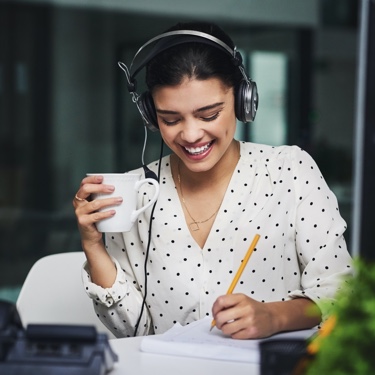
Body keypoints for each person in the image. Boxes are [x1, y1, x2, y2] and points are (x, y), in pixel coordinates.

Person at [73, 21, 353, 339]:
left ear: (243, 99)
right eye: (171, 119)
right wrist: (93, 247)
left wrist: (275, 316)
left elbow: (340, 296)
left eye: (209, 115)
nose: (191, 135)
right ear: (151, 116)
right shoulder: (135, 193)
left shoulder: (289, 171)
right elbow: (135, 332)